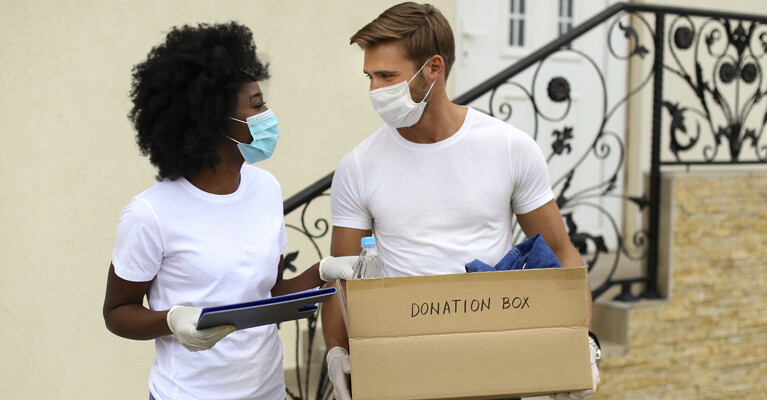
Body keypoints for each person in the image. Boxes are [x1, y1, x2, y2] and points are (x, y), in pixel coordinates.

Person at [321, 3, 600, 400]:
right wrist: (337, 351)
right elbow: (341, 281)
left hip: (495, 364)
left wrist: (582, 345)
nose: (375, 91)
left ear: (434, 68)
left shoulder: (509, 148)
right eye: (370, 77)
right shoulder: (359, 166)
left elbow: (562, 254)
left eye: (388, 76)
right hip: (401, 365)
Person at [102, 22, 356, 400]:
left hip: (268, 390)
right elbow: (117, 311)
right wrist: (172, 321)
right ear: (212, 121)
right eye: (256, 105)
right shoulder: (150, 213)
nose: (268, 114)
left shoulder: (265, 189)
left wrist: (321, 272)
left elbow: (265, 294)